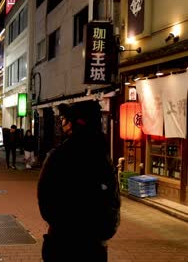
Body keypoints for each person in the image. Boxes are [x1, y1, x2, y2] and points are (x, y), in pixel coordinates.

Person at [37, 100, 121, 262]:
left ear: (72, 124)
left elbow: (45, 198)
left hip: (62, 242)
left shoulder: (58, 156)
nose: (62, 123)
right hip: (93, 244)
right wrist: (103, 231)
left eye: (64, 119)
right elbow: (112, 200)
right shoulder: (101, 156)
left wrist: (59, 225)